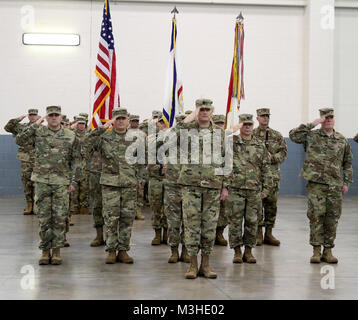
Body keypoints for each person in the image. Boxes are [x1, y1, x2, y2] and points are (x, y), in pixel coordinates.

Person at [15, 106, 82, 265]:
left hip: (61, 183)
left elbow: (76, 160)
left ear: (61, 117)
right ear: (46, 117)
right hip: (42, 181)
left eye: (56, 115)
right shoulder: (38, 132)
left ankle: (57, 251)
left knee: (59, 217)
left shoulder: (70, 135)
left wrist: (73, 181)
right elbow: (19, 140)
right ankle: (45, 251)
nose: (53, 118)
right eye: (50, 115)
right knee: (44, 217)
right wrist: (36, 123)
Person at [289, 108, 353, 264]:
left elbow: (348, 163)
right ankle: (316, 251)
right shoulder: (311, 136)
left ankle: (328, 251)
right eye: (325, 118)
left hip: (335, 185)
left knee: (332, 218)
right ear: (321, 120)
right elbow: (293, 136)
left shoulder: (341, 139)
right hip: (316, 185)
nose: (328, 120)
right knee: (316, 217)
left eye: (331, 117)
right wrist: (312, 124)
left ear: (334, 120)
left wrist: (347, 182)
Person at [177, 98, 227, 279]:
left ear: (212, 111)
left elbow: (226, 160)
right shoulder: (186, 130)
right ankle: (192, 265)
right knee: (191, 225)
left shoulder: (220, 134)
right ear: (197, 111)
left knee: (209, 226)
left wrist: (225, 186)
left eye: (207, 109)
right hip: (190, 185)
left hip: (213, 186)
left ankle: (206, 264)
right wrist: (189, 118)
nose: (204, 112)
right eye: (201, 109)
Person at [86, 108, 142, 264]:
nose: (120, 121)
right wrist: (102, 128)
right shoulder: (104, 138)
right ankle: (111, 250)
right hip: (110, 184)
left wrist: (140, 180)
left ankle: (123, 250)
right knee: (111, 218)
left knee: (127, 218)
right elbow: (86, 143)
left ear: (128, 121)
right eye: (117, 118)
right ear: (113, 120)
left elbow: (142, 163)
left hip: (129, 184)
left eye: (123, 118)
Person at [222, 114, 272, 264]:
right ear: (240, 126)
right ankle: (237, 252)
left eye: (250, 124)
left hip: (254, 190)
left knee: (252, 221)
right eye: (244, 124)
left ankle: (248, 252)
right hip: (235, 189)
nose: (248, 127)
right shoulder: (231, 142)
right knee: (235, 222)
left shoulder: (259, 145)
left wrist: (266, 188)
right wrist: (224, 187)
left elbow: (266, 168)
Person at [253, 108, 287, 246]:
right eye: (262, 116)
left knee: (271, 206)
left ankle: (269, 233)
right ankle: (258, 234)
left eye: (267, 116)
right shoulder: (252, 134)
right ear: (257, 118)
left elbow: (283, 153)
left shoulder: (276, 135)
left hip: (272, 176)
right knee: (257, 206)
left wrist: (273, 157)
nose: (265, 118)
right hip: (256, 176)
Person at [4, 109, 40, 215]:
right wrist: (18, 119)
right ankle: (29, 205)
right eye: (31, 115)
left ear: (37, 116)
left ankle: (37, 206)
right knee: (26, 182)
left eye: (34, 115)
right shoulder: (22, 127)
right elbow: (7, 128)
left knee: (38, 183)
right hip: (26, 159)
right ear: (28, 116)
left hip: (39, 160)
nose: (33, 117)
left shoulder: (42, 128)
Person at [147, 115, 168, 245]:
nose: (164, 124)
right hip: (156, 179)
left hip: (171, 181)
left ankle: (166, 233)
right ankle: (157, 234)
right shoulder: (151, 141)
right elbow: (147, 161)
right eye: (161, 122)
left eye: (166, 122)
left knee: (169, 209)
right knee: (156, 207)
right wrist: (160, 167)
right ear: (157, 124)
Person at [212, 114, 229, 246]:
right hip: (210, 180)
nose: (219, 126)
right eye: (216, 124)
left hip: (223, 178)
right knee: (210, 209)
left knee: (223, 209)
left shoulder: (228, 141)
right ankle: (209, 235)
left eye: (221, 124)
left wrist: (226, 184)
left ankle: (220, 233)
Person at [69, 117, 90, 215]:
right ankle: (75, 207)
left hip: (85, 163)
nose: (81, 126)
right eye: (79, 124)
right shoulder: (72, 134)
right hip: (75, 163)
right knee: (74, 187)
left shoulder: (88, 135)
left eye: (83, 124)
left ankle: (84, 206)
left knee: (84, 187)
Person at [129, 114, 146, 221]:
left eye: (136, 121)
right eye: (133, 121)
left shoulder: (143, 134)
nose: (135, 123)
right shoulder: (125, 133)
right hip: (128, 165)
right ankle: (130, 211)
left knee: (140, 188)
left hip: (139, 164)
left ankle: (138, 210)